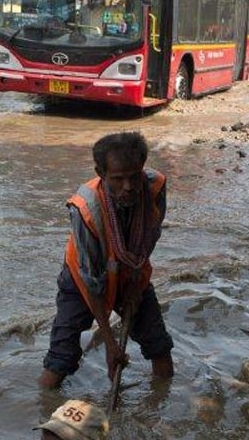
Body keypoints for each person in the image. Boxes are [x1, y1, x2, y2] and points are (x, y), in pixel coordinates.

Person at [39, 132, 174, 389]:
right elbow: (93, 283)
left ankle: (160, 407)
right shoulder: (85, 208)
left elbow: (149, 237)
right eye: (118, 179)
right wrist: (111, 344)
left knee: (159, 346)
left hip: (132, 271)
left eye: (134, 177)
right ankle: (43, 410)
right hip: (82, 280)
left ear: (142, 169)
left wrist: (135, 289)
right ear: (100, 173)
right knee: (61, 358)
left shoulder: (155, 186)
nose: (129, 187)